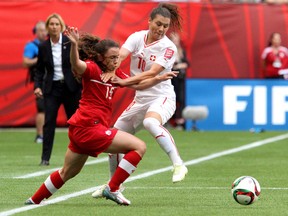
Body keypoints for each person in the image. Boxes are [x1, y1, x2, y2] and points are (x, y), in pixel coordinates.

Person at [25, 26, 178, 206]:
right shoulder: (92, 68)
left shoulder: (114, 74)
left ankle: (34, 200)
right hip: (90, 127)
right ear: (100, 58)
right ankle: (113, 188)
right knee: (139, 147)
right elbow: (77, 65)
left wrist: (159, 78)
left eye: (117, 57)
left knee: (67, 172)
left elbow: (139, 85)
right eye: (112, 58)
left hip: (81, 129)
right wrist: (74, 45)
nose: (116, 61)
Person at [92, 3, 188, 199]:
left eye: (165, 26)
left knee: (150, 122)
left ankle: (178, 163)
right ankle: (114, 186)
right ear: (149, 21)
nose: (161, 29)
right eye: (158, 24)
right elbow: (121, 56)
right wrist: (111, 69)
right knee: (113, 139)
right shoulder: (137, 37)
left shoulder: (168, 47)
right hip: (140, 99)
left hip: (162, 97)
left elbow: (151, 74)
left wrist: (123, 81)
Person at [34, 14, 81, 166]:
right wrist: (37, 86)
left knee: (74, 123)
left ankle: (79, 154)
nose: (54, 27)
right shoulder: (43, 46)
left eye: (57, 24)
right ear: (47, 27)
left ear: (61, 26)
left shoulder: (69, 42)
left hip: (70, 88)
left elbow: (80, 61)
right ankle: (45, 158)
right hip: (52, 88)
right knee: (48, 122)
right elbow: (39, 70)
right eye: (51, 24)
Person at [23, 21, 47, 144]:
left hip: (53, 80)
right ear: (36, 32)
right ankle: (40, 135)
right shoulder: (32, 46)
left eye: (44, 30)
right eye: (41, 30)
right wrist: (41, 58)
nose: (43, 33)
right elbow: (26, 62)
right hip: (41, 81)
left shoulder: (51, 44)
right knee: (41, 108)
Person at [168, 32, 189, 130]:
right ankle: (170, 121)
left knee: (181, 99)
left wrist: (180, 65)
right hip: (172, 78)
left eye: (176, 40)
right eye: (173, 40)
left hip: (181, 78)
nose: (175, 42)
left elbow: (187, 63)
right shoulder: (168, 51)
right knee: (172, 99)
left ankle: (181, 121)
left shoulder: (181, 51)